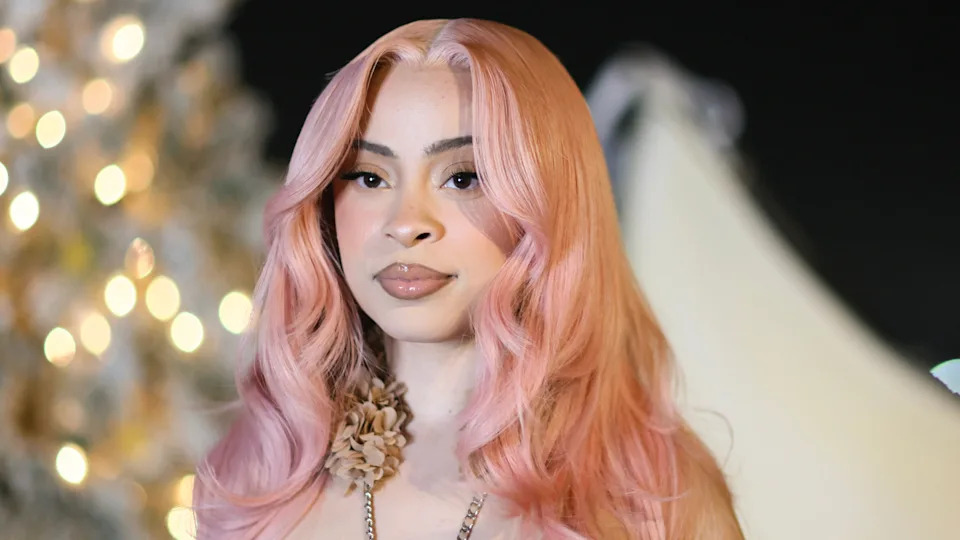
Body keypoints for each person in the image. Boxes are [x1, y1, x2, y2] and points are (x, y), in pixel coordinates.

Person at [193, 18, 745, 539]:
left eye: (462, 178)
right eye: (368, 176)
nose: (407, 224)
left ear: (551, 201)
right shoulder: (264, 472)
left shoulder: (652, 493)